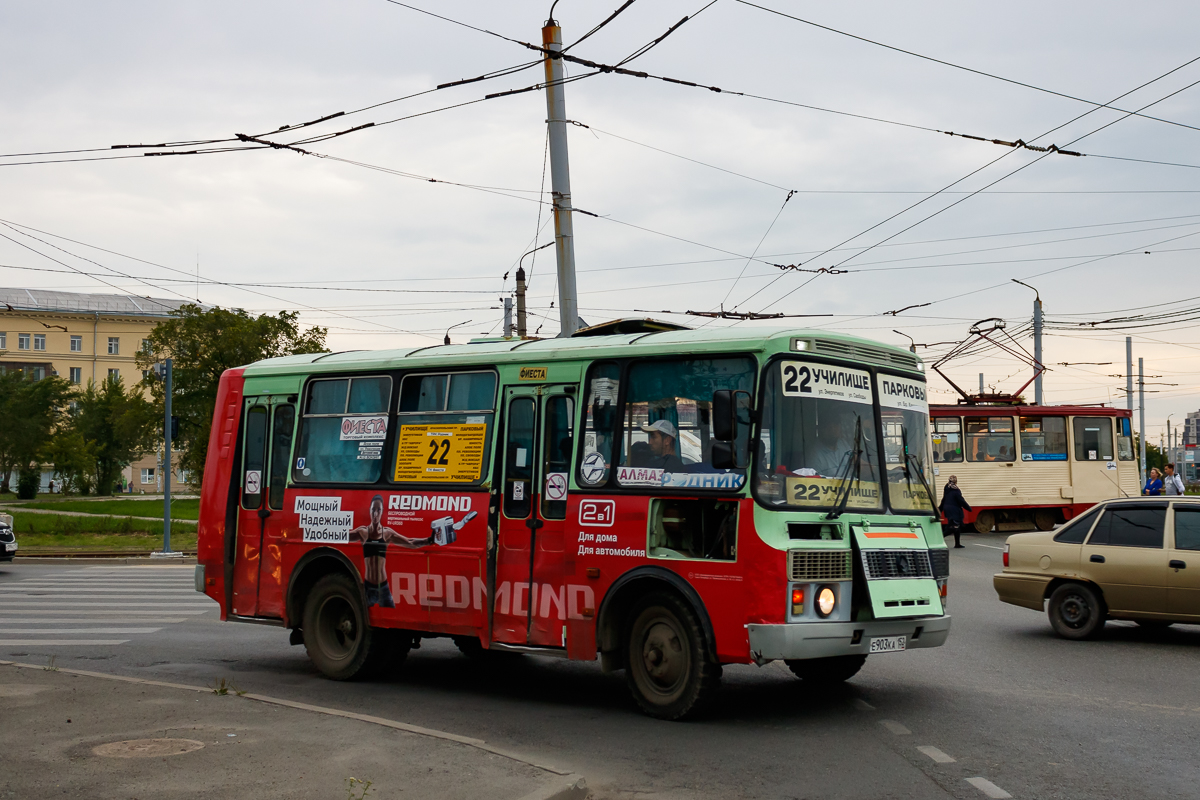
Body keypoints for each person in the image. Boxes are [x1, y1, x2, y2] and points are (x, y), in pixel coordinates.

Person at [351, 494, 439, 608]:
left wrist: (429, 540)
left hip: (383, 588)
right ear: (369, 510)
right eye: (373, 510)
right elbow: (340, 536)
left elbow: (410, 542)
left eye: (379, 510)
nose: (375, 514)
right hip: (368, 588)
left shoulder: (387, 533)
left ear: (382, 511)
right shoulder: (362, 532)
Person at [938, 475, 972, 548]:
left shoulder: (947, 488)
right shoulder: (956, 490)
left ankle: (957, 544)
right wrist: (968, 508)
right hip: (954, 510)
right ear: (956, 481)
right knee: (953, 527)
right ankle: (938, 539)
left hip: (947, 508)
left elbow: (944, 499)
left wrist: (940, 509)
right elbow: (961, 500)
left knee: (956, 527)